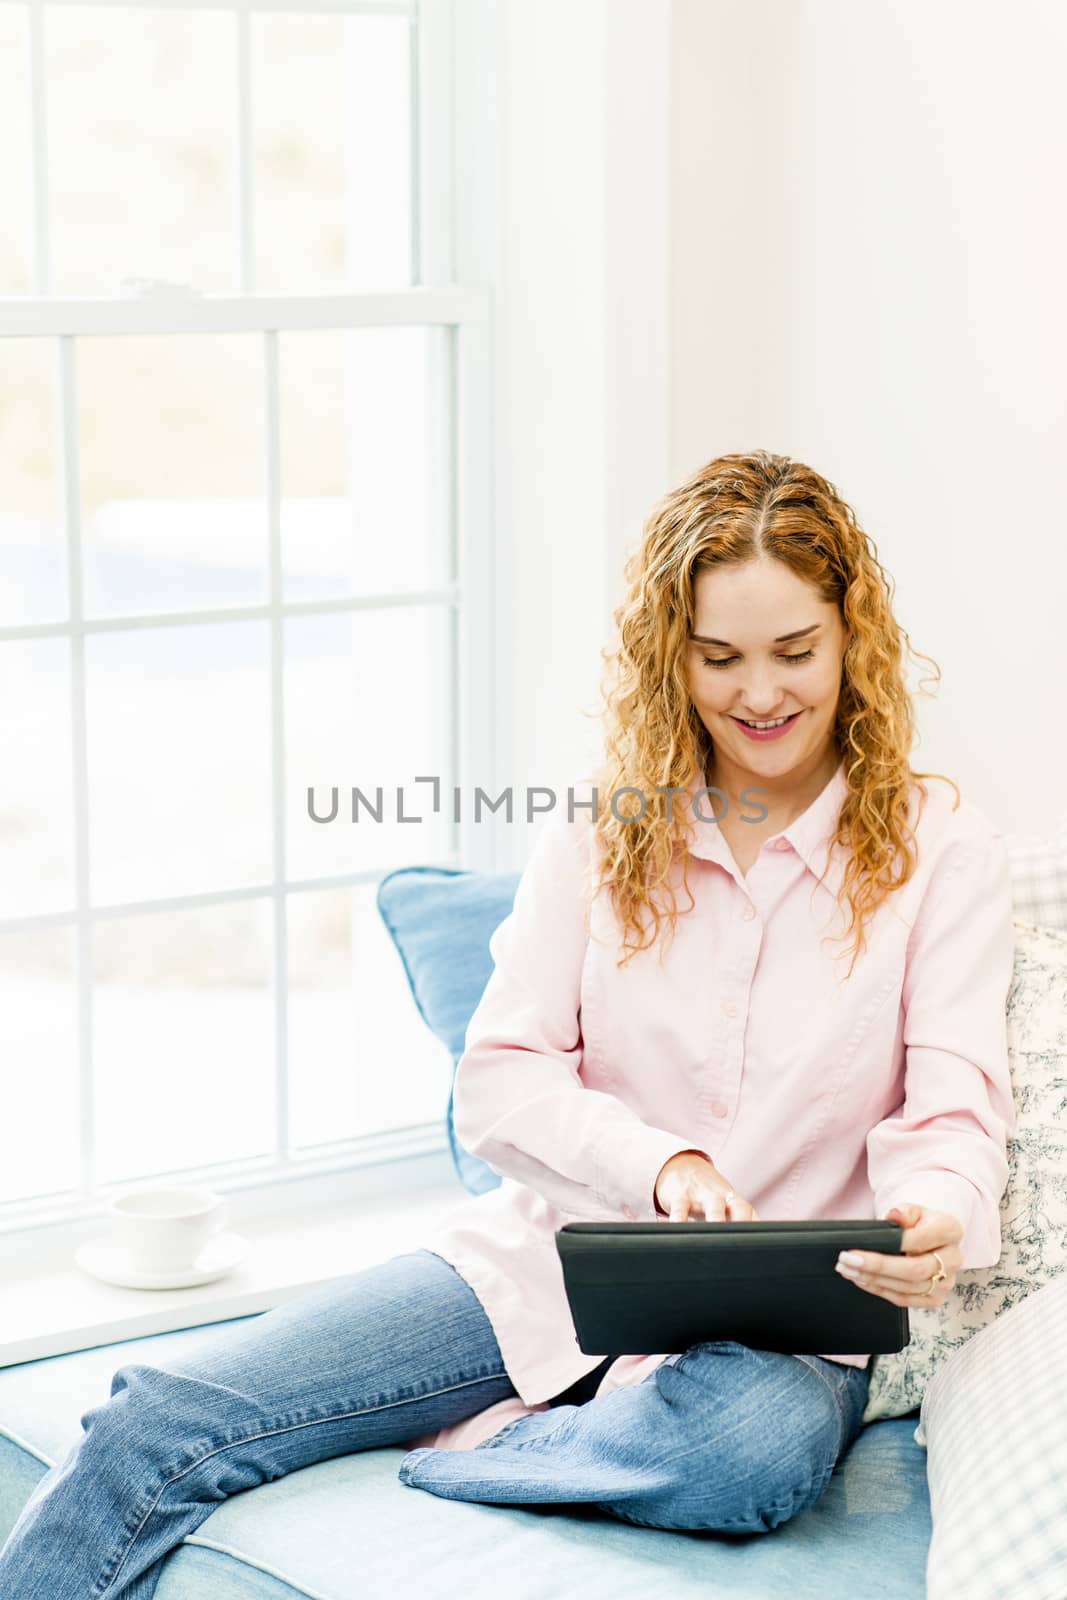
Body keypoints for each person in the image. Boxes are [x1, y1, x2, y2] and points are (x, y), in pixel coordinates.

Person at [0, 450, 1015, 1596]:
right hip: (544, 1264)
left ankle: (478, 1447)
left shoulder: (941, 852)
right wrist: (660, 1163)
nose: (760, 693)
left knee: (742, 1455)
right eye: (717, 656)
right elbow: (499, 1077)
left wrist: (938, 1211)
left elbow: (953, 1107)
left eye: (794, 652)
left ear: (850, 639)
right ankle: (543, 1410)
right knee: (154, 1418)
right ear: (667, 655)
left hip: (781, 1331)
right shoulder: (602, 826)